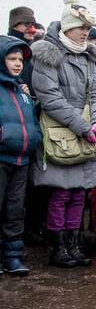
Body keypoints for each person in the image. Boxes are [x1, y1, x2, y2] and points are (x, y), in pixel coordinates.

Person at [30, 0, 96, 268]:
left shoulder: (87, 57)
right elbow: (50, 97)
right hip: (60, 133)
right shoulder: (47, 54)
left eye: (87, 29)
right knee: (61, 192)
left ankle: (74, 243)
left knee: (80, 193)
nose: (85, 33)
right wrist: (84, 126)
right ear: (67, 27)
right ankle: (58, 246)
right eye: (80, 28)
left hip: (85, 132)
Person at [0, 35, 41, 275]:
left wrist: (36, 138)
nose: (17, 64)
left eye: (20, 60)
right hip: (2, 157)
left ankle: (12, 256)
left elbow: (31, 121)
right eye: (12, 58)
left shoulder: (22, 91)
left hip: (22, 159)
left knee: (15, 210)